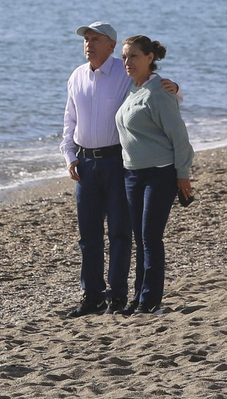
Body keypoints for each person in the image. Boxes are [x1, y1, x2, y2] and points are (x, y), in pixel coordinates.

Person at [60, 22, 180, 318]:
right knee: (88, 235)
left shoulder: (124, 71)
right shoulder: (76, 76)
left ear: (111, 45)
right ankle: (92, 297)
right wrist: (69, 155)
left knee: (120, 233)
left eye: (95, 39)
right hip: (84, 164)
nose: (88, 43)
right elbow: (69, 120)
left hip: (117, 162)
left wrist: (176, 89)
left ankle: (116, 296)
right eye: (86, 39)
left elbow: (155, 90)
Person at [114, 35, 194, 315]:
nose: (127, 62)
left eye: (133, 56)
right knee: (140, 238)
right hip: (132, 175)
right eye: (124, 57)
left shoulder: (159, 92)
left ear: (150, 58)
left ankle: (150, 301)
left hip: (160, 175)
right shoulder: (132, 89)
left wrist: (183, 174)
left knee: (150, 237)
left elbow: (180, 137)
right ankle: (138, 298)